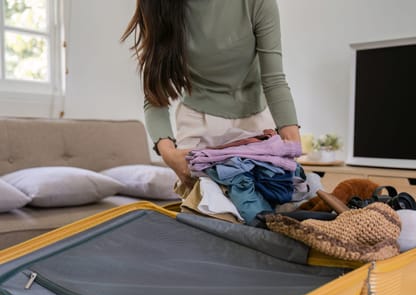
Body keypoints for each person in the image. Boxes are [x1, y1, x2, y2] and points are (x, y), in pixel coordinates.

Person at [121, 0, 301, 191]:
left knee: (267, 210)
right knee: (202, 211)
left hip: (255, 124)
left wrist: (292, 145)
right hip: (197, 124)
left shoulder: (256, 3)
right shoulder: (158, 5)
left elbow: (273, 80)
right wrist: (169, 154)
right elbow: (156, 95)